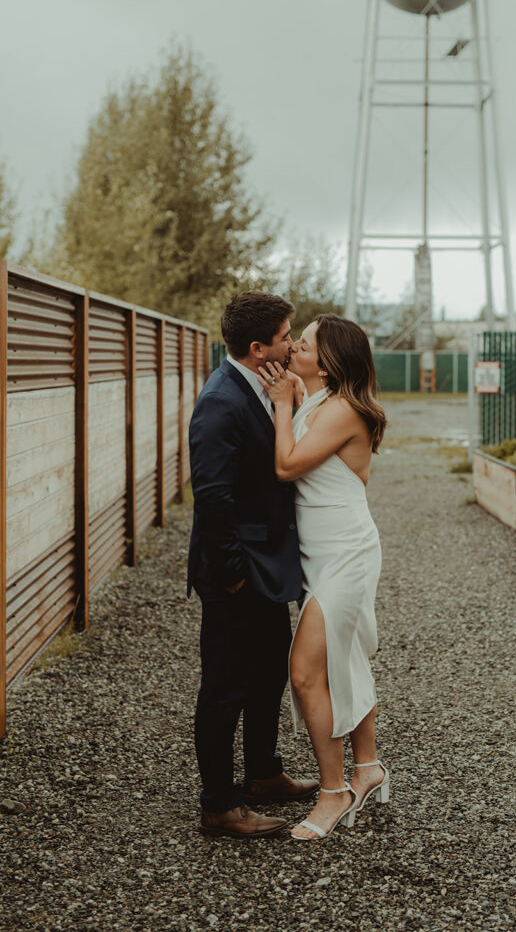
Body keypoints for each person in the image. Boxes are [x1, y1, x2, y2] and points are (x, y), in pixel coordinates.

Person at [187, 291, 319, 839]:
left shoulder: (264, 386)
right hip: (235, 571)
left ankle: (263, 773)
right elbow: (212, 497)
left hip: (267, 564)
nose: (292, 344)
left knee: (268, 674)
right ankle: (220, 803)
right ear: (258, 346)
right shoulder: (220, 400)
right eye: (288, 336)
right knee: (225, 686)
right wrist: (236, 571)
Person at [257, 314, 389, 841]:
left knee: (306, 672)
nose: (292, 349)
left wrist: (283, 405)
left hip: (346, 554)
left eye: (304, 344)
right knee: (345, 658)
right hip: (320, 553)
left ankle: (333, 792)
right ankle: (368, 767)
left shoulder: (341, 409)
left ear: (328, 360)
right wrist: (290, 397)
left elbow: (287, 466)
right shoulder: (318, 401)